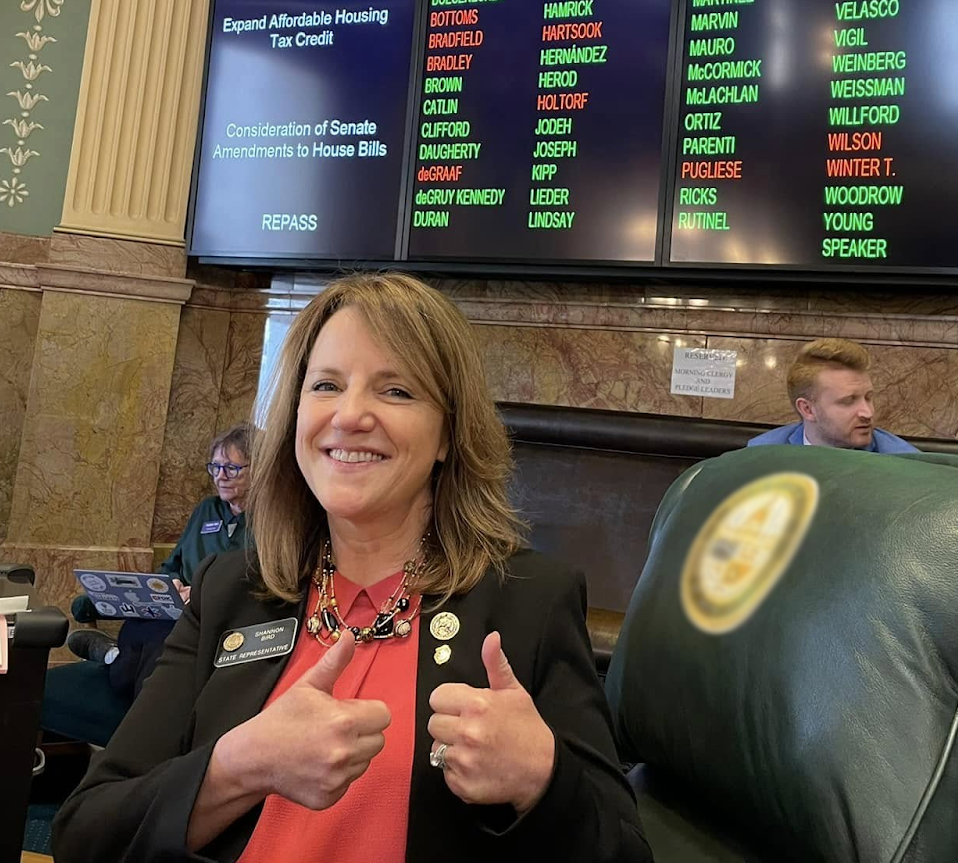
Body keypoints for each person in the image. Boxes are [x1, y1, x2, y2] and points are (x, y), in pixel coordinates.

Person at [51, 272, 649, 863]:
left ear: (447, 435)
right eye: (327, 385)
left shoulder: (532, 600)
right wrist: (241, 765)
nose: (350, 416)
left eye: (396, 391)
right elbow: (86, 834)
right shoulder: (230, 590)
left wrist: (543, 779)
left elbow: (623, 849)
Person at [65, 424, 254, 700]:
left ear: (258, 470)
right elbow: (174, 564)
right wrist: (166, 585)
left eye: (232, 468)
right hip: (176, 608)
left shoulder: (271, 524)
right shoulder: (207, 510)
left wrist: (200, 594)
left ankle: (111, 657)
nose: (220, 476)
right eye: (214, 467)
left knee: (159, 644)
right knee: (138, 626)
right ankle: (115, 657)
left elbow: (256, 583)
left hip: (214, 617)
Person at [746, 336, 917, 453]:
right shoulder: (761, 454)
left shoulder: (904, 463)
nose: (868, 413)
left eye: (868, 397)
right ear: (807, 409)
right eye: (849, 401)